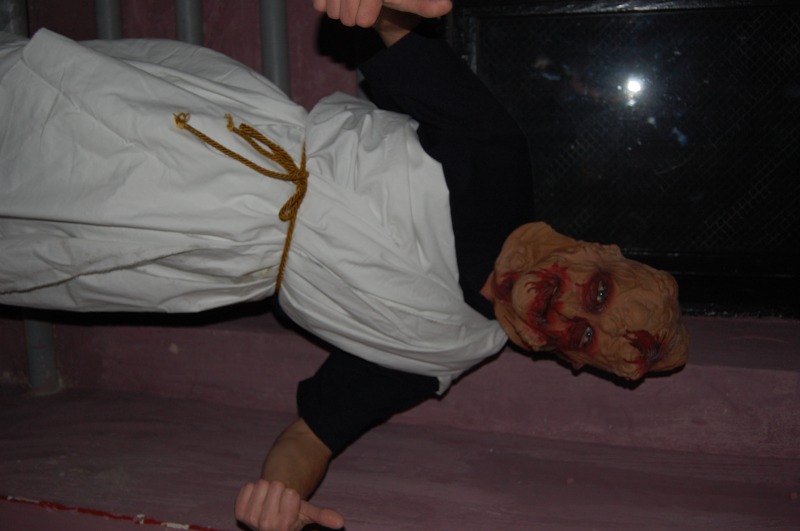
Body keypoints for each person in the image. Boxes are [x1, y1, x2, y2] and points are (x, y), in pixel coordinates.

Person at [233, 2, 689, 530]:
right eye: (599, 294)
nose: (567, 311)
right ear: (598, 252)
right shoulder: (495, 156)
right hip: (217, 136)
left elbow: (309, 437)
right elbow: (394, 33)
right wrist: (379, 6)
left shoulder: (438, 350)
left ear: (573, 361)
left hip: (199, 265)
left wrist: (281, 499)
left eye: (585, 337)